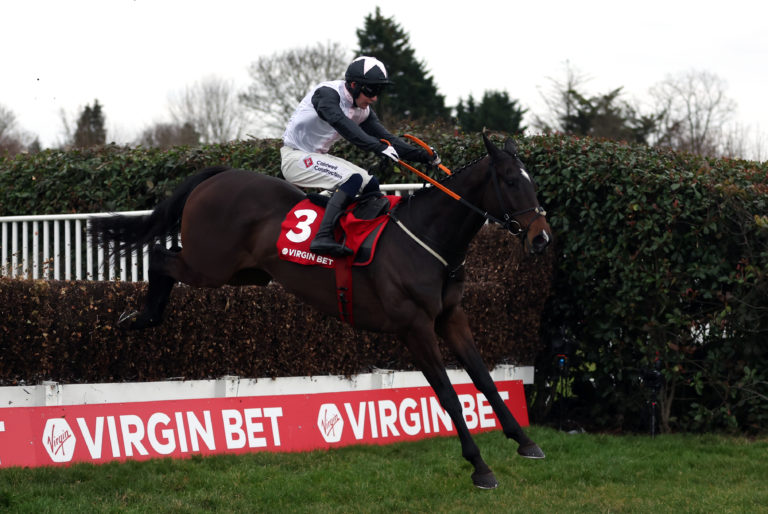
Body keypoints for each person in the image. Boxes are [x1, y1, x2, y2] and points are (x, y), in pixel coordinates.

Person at [281, 55, 440, 257]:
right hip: (294, 158)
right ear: (354, 85)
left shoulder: (362, 110)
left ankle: (359, 237)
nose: (374, 98)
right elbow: (341, 123)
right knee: (353, 179)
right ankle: (322, 237)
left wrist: (424, 156)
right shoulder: (327, 94)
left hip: (316, 157)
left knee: (370, 183)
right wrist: (376, 147)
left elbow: (387, 138)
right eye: (371, 90)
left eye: (379, 91)